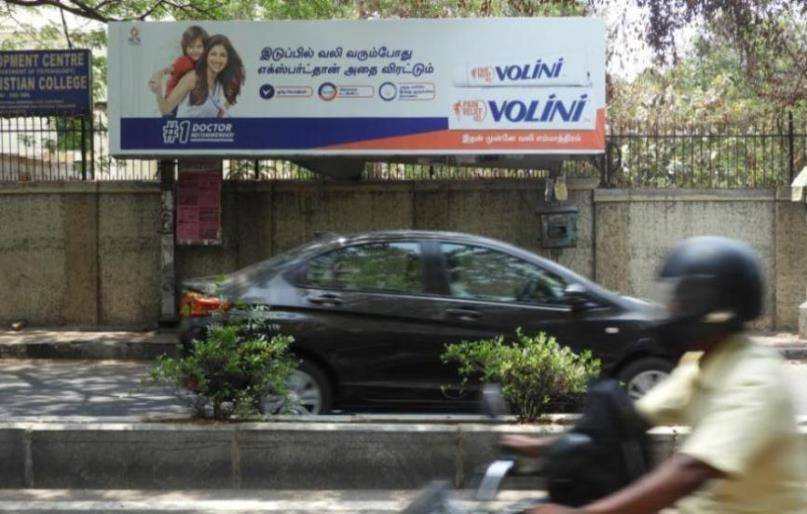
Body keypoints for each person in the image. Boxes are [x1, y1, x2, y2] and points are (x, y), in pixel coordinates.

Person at [503, 236, 805, 514]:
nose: (671, 308)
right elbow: (624, 420)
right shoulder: (703, 364)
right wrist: (541, 446)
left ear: (712, 306)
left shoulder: (755, 378)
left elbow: (690, 471)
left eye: (681, 299)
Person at [153, 34, 245, 118]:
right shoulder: (193, 78)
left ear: (228, 59)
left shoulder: (219, 84)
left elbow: (217, 117)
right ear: (206, 56)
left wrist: (226, 105)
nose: (218, 60)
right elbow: (165, 110)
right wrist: (158, 92)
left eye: (222, 55)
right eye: (213, 54)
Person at [148, 25, 209, 112]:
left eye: (199, 47)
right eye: (191, 47)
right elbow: (172, 68)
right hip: (173, 99)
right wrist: (162, 72)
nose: (195, 50)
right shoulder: (185, 61)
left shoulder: (200, 62)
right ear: (185, 48)